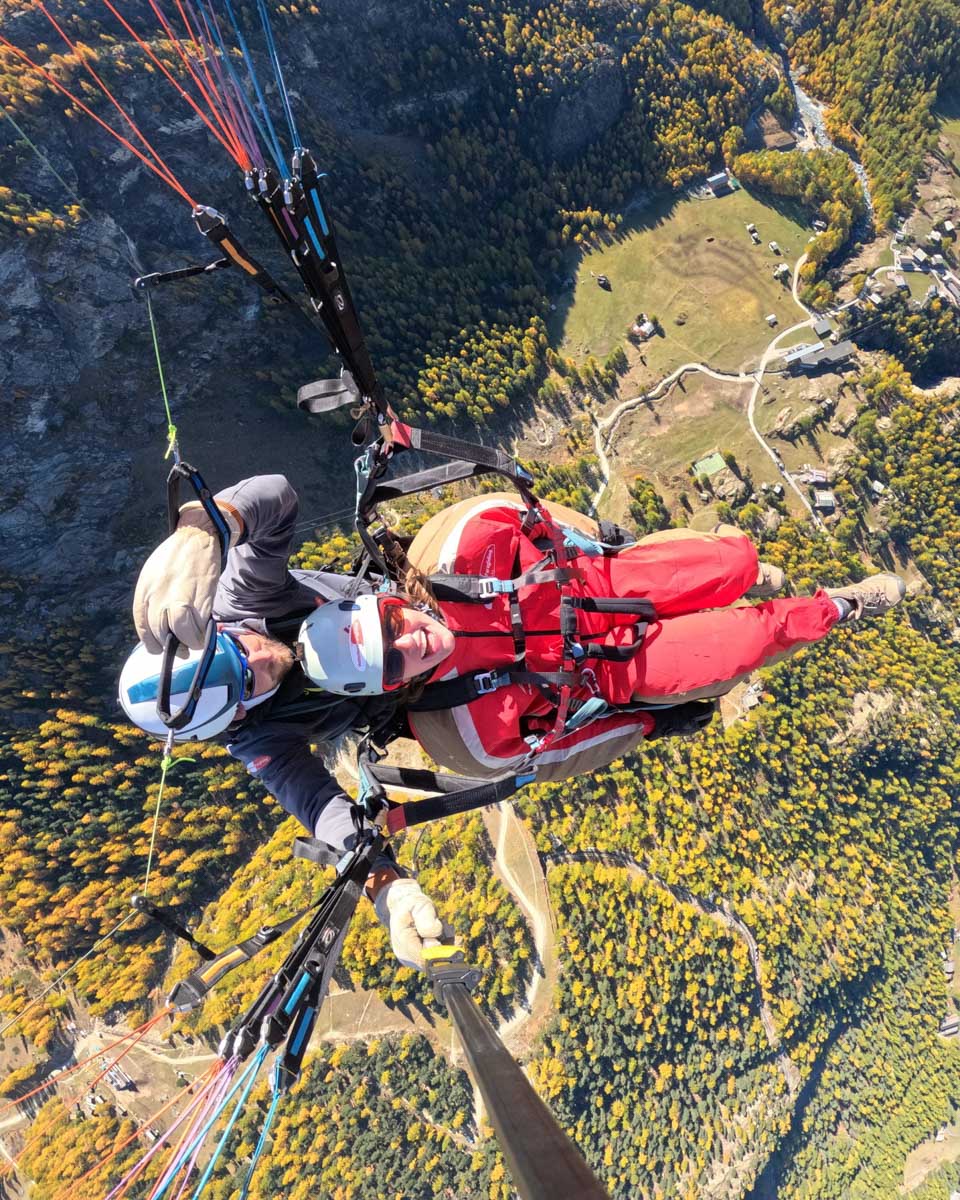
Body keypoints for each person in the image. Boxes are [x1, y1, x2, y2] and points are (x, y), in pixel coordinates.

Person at [120, 475, 906, 962]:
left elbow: (273, 500)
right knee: (740, 644)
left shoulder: (234, 602)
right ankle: (833, 608)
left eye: (238, 651)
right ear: (233, 717)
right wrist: (389, 891)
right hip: (445, 676)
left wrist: (202, 528)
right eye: (247, 682)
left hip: (431, 609)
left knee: (729, 559)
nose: (256, 658)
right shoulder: (256, 735)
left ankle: (738, 573)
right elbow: (319, 807)